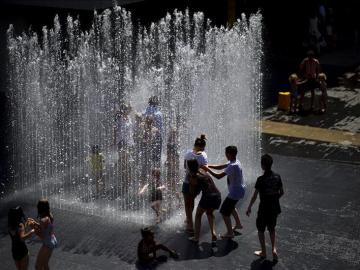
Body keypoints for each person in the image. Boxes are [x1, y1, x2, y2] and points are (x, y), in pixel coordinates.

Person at [246, 154, 284, 262]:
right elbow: (282, 192)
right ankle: (274, 249)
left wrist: (249, 207)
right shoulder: (277, 176)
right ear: (271, 164)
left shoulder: (260, 179)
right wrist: (275, 199)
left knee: (261, 230)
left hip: (264, 208)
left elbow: (254, 196)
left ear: (262, 166)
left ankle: (263, 252)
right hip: (274, 208)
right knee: (272, 228)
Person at [205, 146, 246, 239]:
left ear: (229, 154)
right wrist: (208, 166)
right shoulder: (235, 161)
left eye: (226, 153)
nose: (225, 155)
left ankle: (230, 233)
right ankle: (238, 224)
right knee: (231, 207)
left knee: (224, 212)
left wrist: (207, 170)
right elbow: (220, 166)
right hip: (239, 190)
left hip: (235, 192)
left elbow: (218, 176)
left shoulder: (233, 166)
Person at [187, 160, 221, 244]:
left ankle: (196, 238)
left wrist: (190, 182)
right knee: (209, 213)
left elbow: (192, 192)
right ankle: (213, 234)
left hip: (208, 197)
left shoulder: (193, 176)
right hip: (217, 195)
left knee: (198, 215)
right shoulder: (203, 171)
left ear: (189, 167)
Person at [182, 134, 208, 233]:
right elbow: (205, 170)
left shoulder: (188, 153)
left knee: (187, 203)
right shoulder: (203, 155)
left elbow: (185, 166)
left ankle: (189, 222)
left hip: (187, 180)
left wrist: (190, 172)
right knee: (191, 201)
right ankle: (189, 219)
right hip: (197, 183)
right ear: (202, 147)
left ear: (195, 145)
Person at [28, 199, 57, 270]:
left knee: (38, 266)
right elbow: (45, 228)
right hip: (52, 239)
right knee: (45, 264)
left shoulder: (43, 220)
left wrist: (33, 228)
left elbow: (42, 235)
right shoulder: (49, 215)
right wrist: (35, 223)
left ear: (40, 208)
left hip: (47, 243)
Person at [143, 96, 163, 168]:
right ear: (157, 103)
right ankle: (156, 171)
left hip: (147, 137)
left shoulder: (145, 111)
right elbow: (160, 128)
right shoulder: (158, 113)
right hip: (157, 136)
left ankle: (148, 170)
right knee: (156, 157)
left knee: (148, 157)